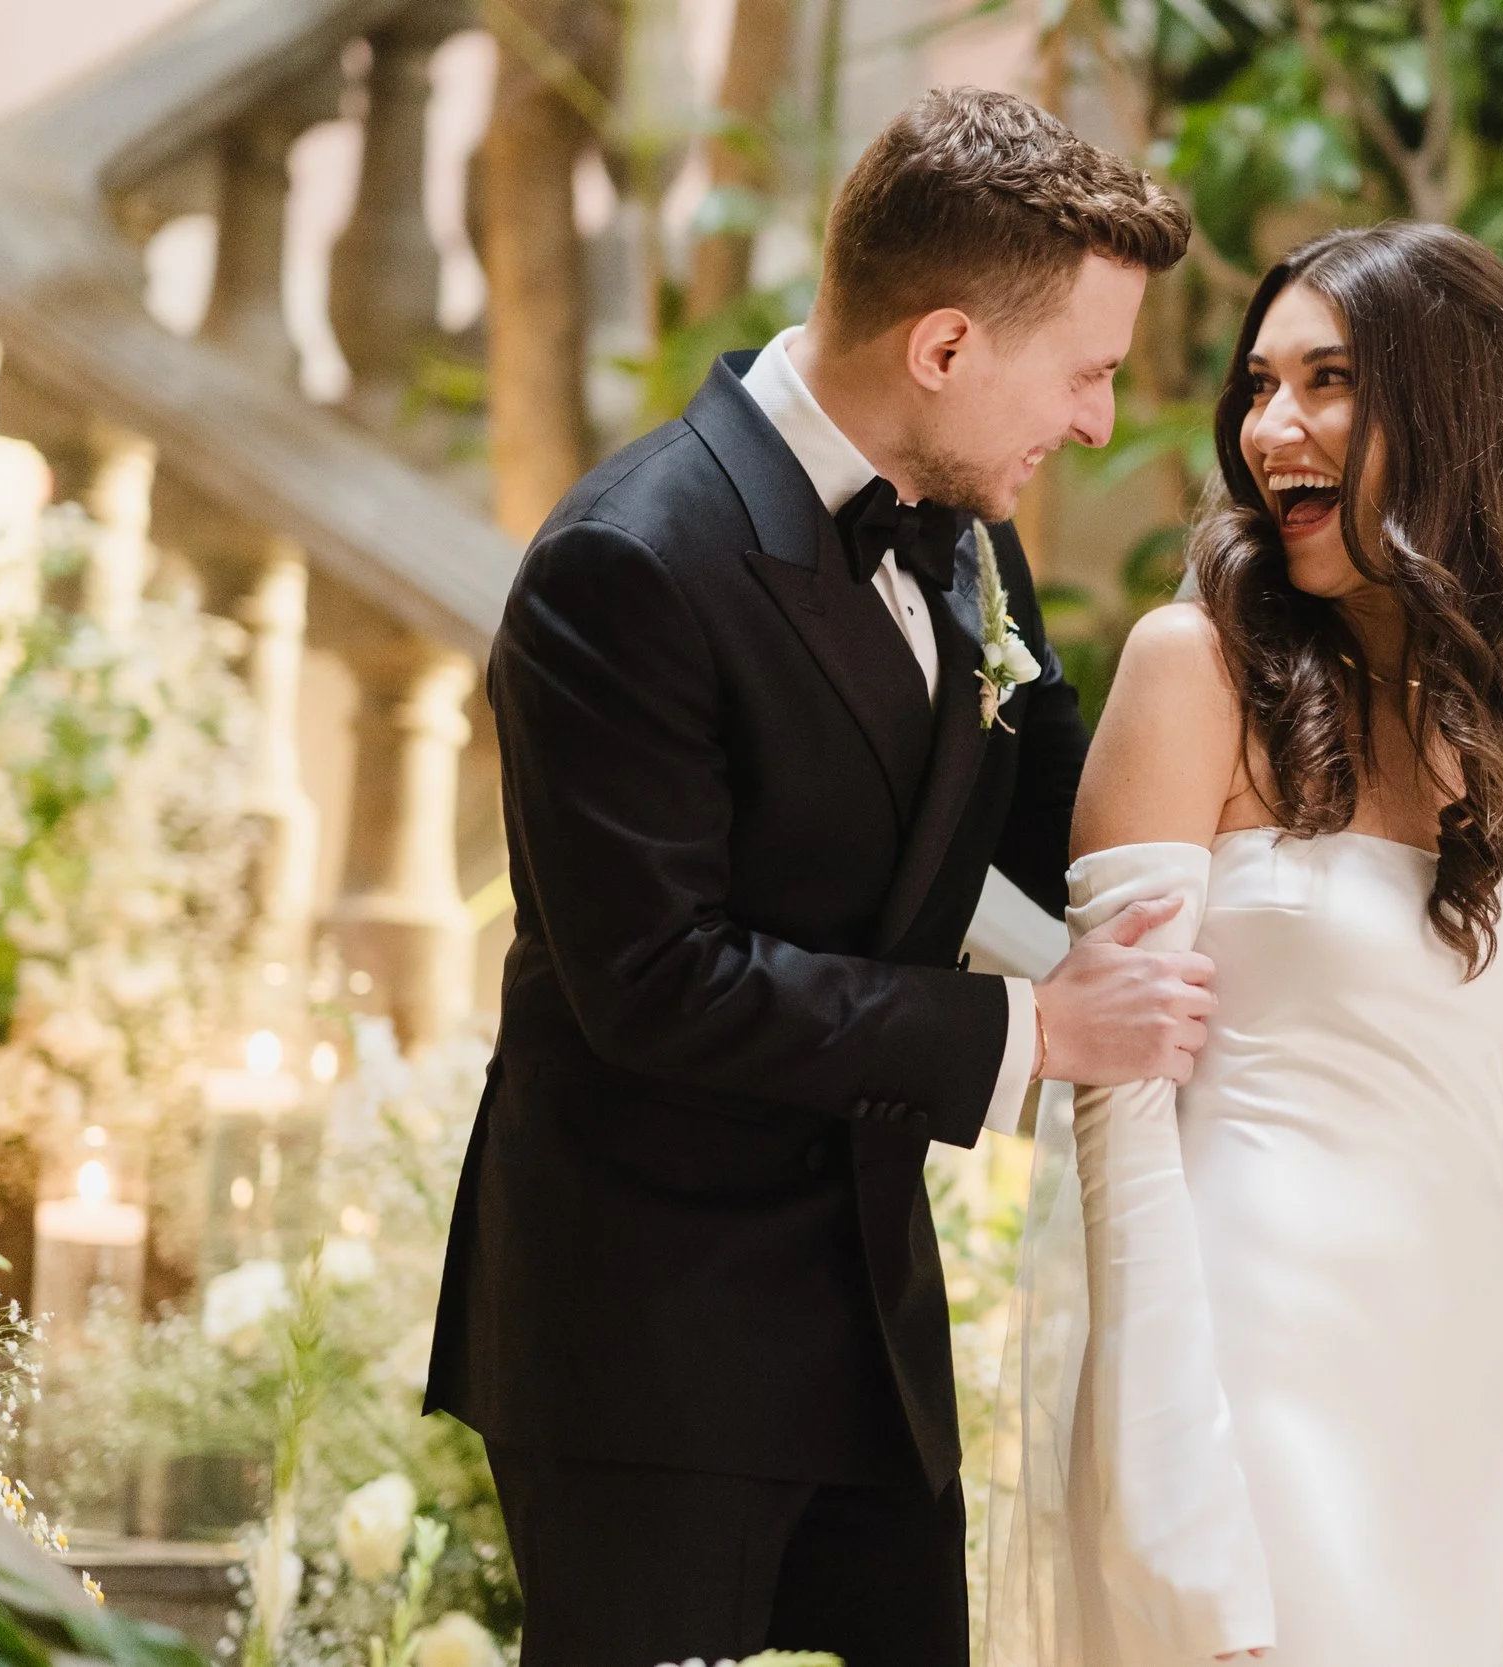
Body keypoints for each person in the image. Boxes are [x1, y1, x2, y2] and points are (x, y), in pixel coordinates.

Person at [424, 88, 1212, 1667]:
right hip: (652, 1341)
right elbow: (658, 980)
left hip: (867, 1331)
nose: (1099, 422)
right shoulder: (625, 564)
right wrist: (1032, 1036)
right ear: (943, 349)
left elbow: (1063, 816)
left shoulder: (961, 527)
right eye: (1087, 373)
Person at [986, 222, 1503, 1667]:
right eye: (1258, 385)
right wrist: (1181, 1542)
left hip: (1443, 1420)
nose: (1271, 429)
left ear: (1455, 419)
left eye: (1330, 381)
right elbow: (1119, 1117)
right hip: (1237, 1393)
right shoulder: (1197, 668)